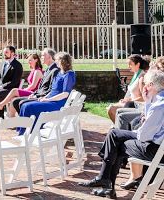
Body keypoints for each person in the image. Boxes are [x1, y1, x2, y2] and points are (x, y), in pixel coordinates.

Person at [79, 68, 164, 198]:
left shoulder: (159, 105)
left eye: (145, 83)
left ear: (151, 85)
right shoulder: (159, 101)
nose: (144, 87)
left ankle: (106, 182)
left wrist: (146, 108)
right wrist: (147, 102)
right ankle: (106, 183)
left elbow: (144, 136)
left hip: (155, 150)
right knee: (114, 136)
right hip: (157, 146)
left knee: (115, 140)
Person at [18, 52, 76, 134]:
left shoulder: (69, 74)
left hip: (58, 103)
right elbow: (53, 90)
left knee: (28, 106)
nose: (55, 62)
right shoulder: (60, 73)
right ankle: (25, 131)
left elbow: (65, 94)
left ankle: (28, 132)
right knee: (24, 105)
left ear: (62, 61)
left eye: (56, 60)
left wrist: (48, 99)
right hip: (50, 100)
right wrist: (45, 98)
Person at [0, 52, 43, 116]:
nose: (29, 62)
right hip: (30, 91)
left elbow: (33, 86)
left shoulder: (37, 71)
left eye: (30, 60)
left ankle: (1, 105)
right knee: (12, 99)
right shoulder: (33, 70)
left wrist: (24, 89)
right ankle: (12, 120)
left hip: (33, 93)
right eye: (28, 60)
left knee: (14, 90)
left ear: (36, 60)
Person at [11, 48, 59, 115]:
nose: (41, 57)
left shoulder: (55, 70)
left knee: (20, 102)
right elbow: (41, 87)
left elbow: (50, 89)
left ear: (50, 57)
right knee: (15, 101)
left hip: (44, 97)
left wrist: (37, 96)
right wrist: (34, 94)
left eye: (43, 55)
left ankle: (27, 122)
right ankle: (24, 121)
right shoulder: (48, 69)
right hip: (38, 94)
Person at [108, 54, 148, 124]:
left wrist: (129, 101)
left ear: (137, 64)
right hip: (131, 102)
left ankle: (120, 129)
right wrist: (126, 99)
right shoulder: (136, 74)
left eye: (130, 64)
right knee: (110, 108)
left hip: (138, 105)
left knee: (111, 109)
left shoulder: (142, 77)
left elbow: (143, 98)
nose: (128, 66)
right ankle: (120, 128)